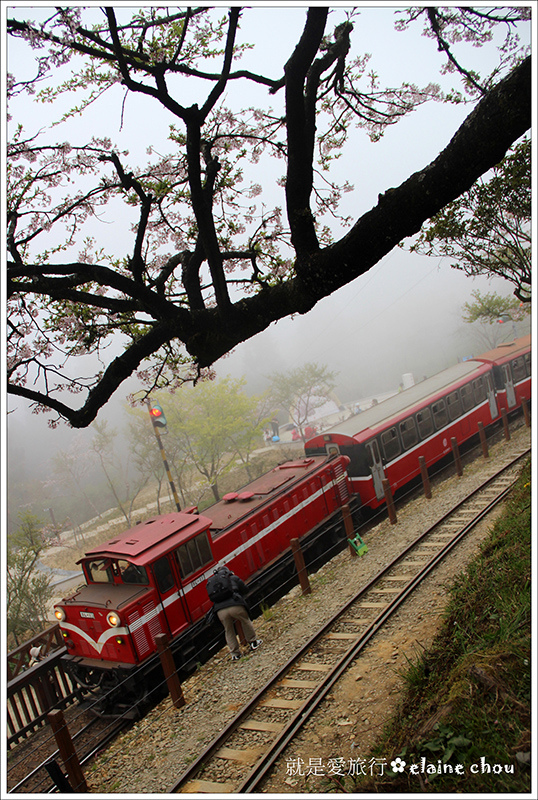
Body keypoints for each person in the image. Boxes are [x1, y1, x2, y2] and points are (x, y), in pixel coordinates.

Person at [206, 566, 262, 662]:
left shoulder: (213, 583)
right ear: (227, 571)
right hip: (235, 605)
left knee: (228, 630)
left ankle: (235, 654)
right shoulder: (232, 577)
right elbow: (245, 589)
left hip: (220, 611)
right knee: (245, 620)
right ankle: (253, 642)